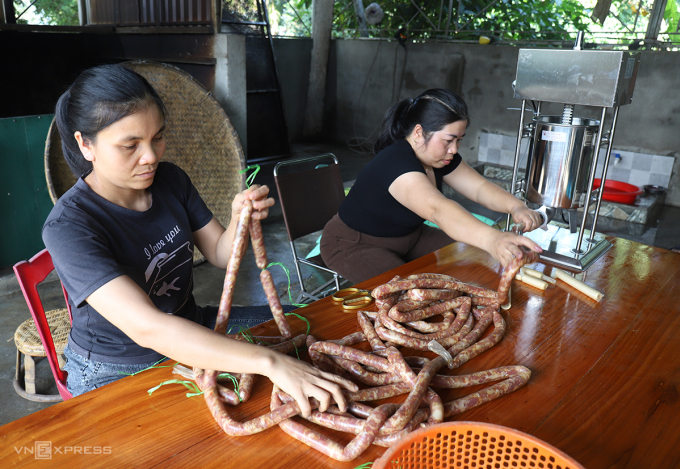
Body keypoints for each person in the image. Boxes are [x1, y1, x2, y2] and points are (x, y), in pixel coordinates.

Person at [43, 64, 356, 415]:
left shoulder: (171, 180)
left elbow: (221, 254)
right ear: (85, 144)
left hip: (193, 324)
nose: (151, 157)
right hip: (118, 364)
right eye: (130, 145)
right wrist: (269, 362)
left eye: (157, 137)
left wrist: (239, 219)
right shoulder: (70, 226)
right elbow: (149, 328)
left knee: (312, 324)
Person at [321, 88, 543, 284]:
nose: (454, 149)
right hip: (354, 243)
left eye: (459, 140)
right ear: (419, 133)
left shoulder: (439, 158)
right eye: (448, 140)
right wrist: (493, 239)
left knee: (479, 255)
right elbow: (438, 209)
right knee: (413, 295)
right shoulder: (395, 161)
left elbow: (479, 188)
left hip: (412, 237)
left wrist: (516, 207)